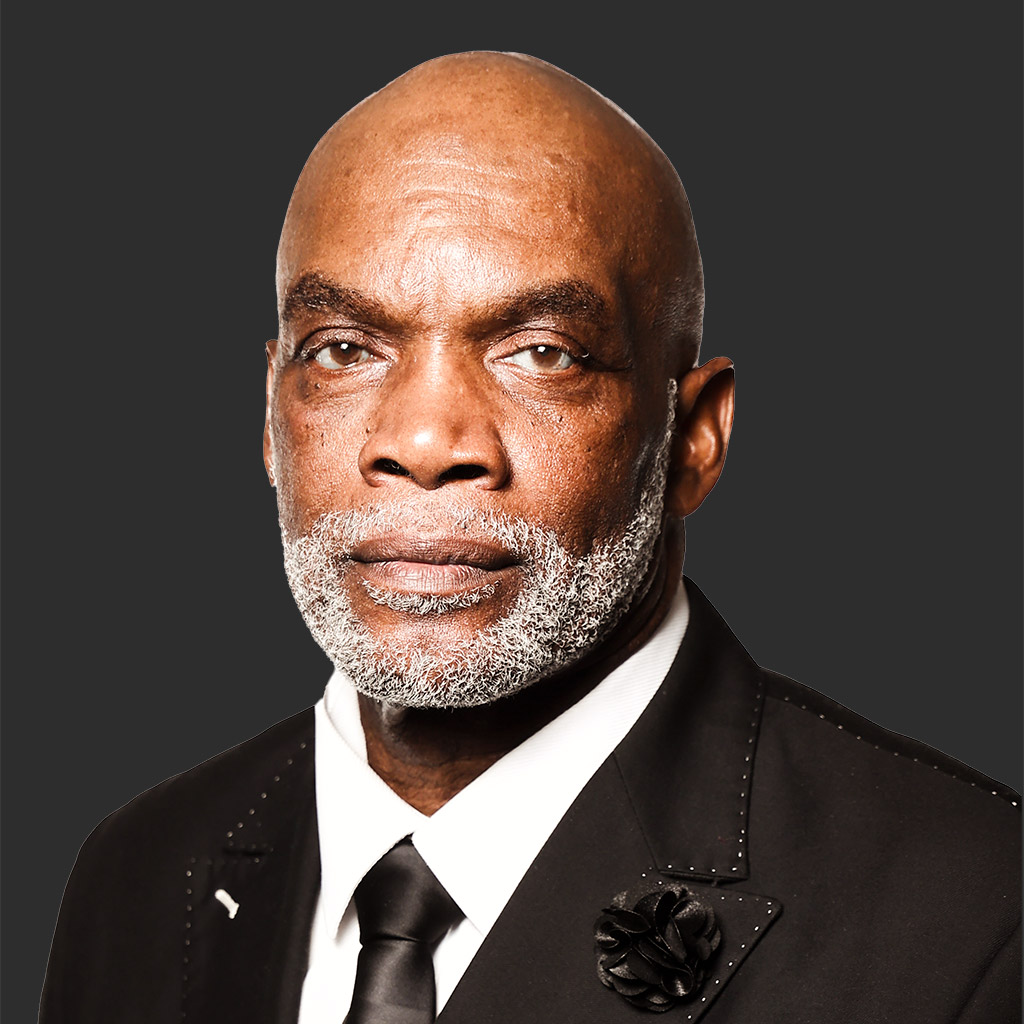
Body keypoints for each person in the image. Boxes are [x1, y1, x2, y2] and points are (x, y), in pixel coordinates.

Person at [40, 52, 1020, 1023]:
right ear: (270, 414)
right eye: (343, 349)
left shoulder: (978, 921)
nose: (424, 443)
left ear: (693, 436)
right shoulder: (137, 875)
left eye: (542, 353)